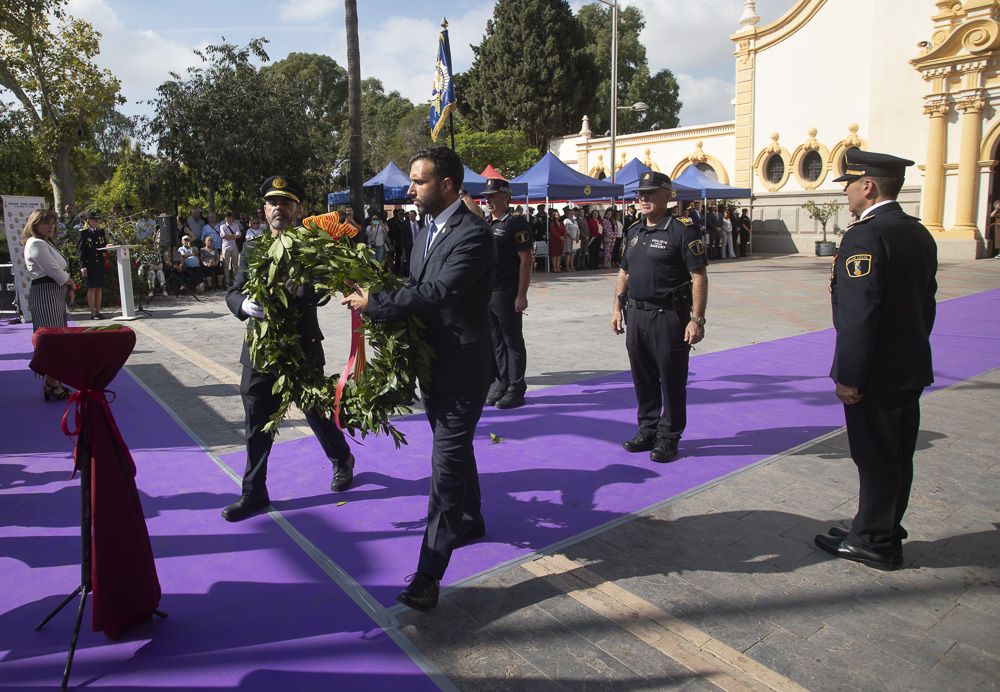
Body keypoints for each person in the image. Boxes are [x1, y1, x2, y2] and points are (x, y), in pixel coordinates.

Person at [341, 147, 495, 612]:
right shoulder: (427, 228)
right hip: (435, 365)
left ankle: (428, 574)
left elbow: (437, 292)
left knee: (445, 466)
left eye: (418, 181)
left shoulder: (475, 235)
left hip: (464, 369)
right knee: (456, 447)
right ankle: (470, 519)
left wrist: (377, 305)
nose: (410, 189)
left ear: (446, 183)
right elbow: (415, 283)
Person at [814, 150, 937, 570]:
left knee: (875, 456)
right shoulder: (917, 232)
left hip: (874, 372)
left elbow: (858, 313)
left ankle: (875, 541)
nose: (846, 191)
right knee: (897, 454)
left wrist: (849, 375)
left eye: (850, 183)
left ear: (868, 186)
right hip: (907, 363)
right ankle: (875, 525)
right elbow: (927, 305)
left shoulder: (866, 236)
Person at [222, 175, 356, 523]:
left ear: (297, 209)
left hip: (301, 346)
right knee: (257, 422)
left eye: (285, 202)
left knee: (315, 410)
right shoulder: (251, 248)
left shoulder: (312, 246)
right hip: (261, 350)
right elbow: (233, 292)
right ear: (264, 209)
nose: (278, 208)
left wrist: (298, 289)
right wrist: (245, 305)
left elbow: (323, 292)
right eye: (272, 202)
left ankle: (341, 458)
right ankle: (254, 493)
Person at [610, 171, 708, 464]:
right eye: (641, 193)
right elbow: (624, 272)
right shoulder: (634, 231)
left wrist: (697, 319)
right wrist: (616, 308)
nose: (643, 198)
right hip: (637, 315)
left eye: (650, 193)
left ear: (668, 195)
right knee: (643, 378)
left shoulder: (682, 231)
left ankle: (669, 436)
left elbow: (699, 277)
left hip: (669, 317)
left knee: (672, 379)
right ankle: (648, 429)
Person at [482, 178, 532, 410]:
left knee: (512, 340)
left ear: (506, 196)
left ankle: (516, 387)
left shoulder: (516, 223)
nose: (488, 199)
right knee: (495, 340)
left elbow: (526, 261)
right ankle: (502, 381)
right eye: (487, 196)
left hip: (507, 291)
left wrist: (522, 294)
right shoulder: (485, 223)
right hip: (488, 291)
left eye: (493, 195)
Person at [22, 209, 75, 400]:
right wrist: (69, 281)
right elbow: (52, 269)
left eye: (53, 223)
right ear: (35, 224)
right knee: (52, 339)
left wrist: (67, 285)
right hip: (46, 293)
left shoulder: (45, 243)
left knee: (56, 338)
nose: (51, 226)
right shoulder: (35, 243)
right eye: (46, 223)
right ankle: (52, 383)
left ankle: (53, 381)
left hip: (54, 292)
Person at [78, 211, 109, 320]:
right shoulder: (84, 233)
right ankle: (93, 312)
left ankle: (98, 310)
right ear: (88, 221)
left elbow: (103, 245)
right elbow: (81, 251)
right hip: (89, 264)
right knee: (91, 288)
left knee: (99, 287)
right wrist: (82, 266)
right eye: (93, 220)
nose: (95, 222)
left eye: (97, 220)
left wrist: (108, 246)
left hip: (99, 263)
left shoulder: (100, 232)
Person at [219, 210, 242, 286]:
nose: (229, 219)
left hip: (234, 247)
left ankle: (236, 282)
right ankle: (227, 282)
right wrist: (233, 236)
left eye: (230, 217)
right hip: (226, 248)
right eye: (227, 217)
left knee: (235, 265)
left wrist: (229, 236)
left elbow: (239, 234)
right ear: (225, 218)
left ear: (232, 218)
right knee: (226, 265)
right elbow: (223, 236)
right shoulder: (222, 226)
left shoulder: (236, 225)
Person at [561, 206, 578, 272]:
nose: (572, 215)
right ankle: (567, 267)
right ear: (568, 214)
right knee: (568, 253)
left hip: (575, 238)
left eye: (573, 214)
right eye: (570, 214)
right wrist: (572, 237)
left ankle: (572, 266)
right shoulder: (566, 220)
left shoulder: (575, 221)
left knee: (573, 253)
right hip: (568, 239)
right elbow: (566, 230)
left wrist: (577, 237)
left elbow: (577, 229)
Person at [547, 208, 565, 272]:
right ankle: (554, 268)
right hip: (554, 240)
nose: (557, 216)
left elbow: (563, 230)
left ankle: (558, 267)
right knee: (554, 254)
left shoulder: (561, 222)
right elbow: (553, 231)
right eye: (555, 215)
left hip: (561, 240)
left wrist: (563, 236)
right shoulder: (552, 223)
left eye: (558, 214)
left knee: (559, 254)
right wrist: (559, 237)